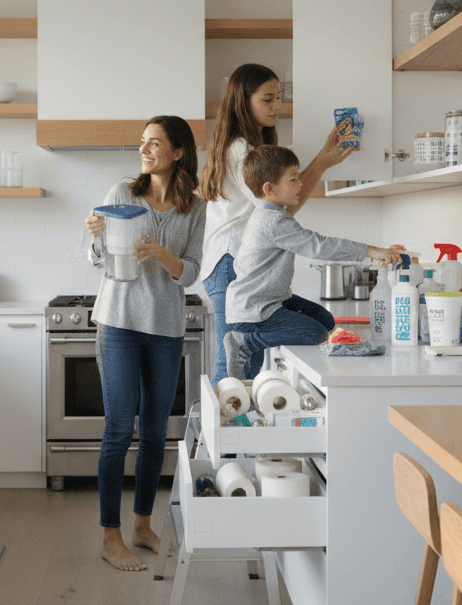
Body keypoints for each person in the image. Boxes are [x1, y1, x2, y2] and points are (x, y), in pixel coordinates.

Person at [83, 115, 206, 572]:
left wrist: (161, 254)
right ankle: (110, 536)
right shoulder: (122, 194)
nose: (145, 149)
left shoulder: (194, 208)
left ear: (177, 152)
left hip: (166, 326)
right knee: (119, 428)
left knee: (156, 432)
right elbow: (101, 262)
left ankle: (142, 526)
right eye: (143, 143)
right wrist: (96, 237)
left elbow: (191, 272)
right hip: (118, 321)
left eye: (155, 143)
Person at [199, 63, 353, 384]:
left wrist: (322, 160)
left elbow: (284, 205)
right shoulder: (241, 150)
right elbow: (282, 210)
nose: (277, 106)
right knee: (236, 370)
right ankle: (222, 432)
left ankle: (226, 429)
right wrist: (321, 163)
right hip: (230, 263)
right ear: (243, 101)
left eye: (278, 98)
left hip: (229, 263)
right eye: (267, 99)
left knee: (242, 365)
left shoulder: (243, 147)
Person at [222, 144, 404, 381]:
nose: (300, 184)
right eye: (294, 179)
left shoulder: (269, 214)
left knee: (326, 321)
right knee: (314, 332)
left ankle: (247, 348)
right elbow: (319, 246)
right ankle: (243, 342)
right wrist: (371, 251)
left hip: (268, 301)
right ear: (269, 188)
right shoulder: (273, 221)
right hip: (254, 312)